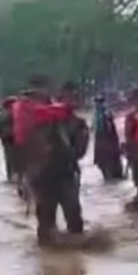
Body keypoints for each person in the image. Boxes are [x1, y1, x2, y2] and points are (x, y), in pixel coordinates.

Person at [18, 76, 87, 246]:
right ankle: (47, 249)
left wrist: (73, 152)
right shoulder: (29, 111)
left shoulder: (71, 120)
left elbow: (79, 146)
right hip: (42, 171)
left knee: (73, 209)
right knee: (46, 214)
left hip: (65, 169)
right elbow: (26, 141)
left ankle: (76, 247)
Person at [93, 95, 125, 181]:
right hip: (106, 143)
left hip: (106, 142)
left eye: (99, 102)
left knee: (109, 163)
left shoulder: (103, 113)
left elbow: (106, 128)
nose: (97, 104)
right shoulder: (99, 113)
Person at [0, 97, 19, 182]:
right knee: (16, 157)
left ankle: (11, 176)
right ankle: (16, 175)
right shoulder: (16, 111)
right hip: (15, 137)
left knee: (9, 158)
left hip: (6, 138)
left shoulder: (4, 113)